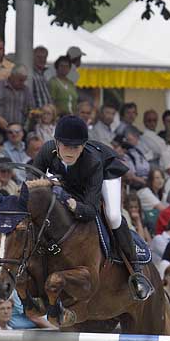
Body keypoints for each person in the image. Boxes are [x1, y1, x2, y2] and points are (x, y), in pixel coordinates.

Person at [32, 115, 153, 300]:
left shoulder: (92, 161)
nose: (71, 152)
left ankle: (136, 271)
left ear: (83, 145)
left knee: (112, 216)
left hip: (104, 174)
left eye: (76, 147)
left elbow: (90, 210)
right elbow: (30, 183)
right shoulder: (47, 150)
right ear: (56, 142)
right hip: (70, 180)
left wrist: (74, 205)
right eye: (66, 146)